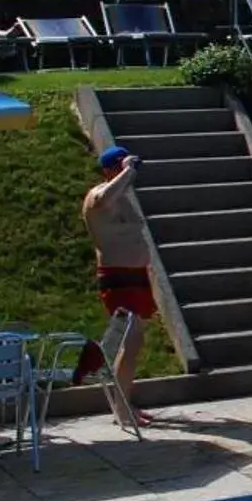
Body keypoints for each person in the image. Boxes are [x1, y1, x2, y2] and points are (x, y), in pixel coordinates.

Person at [80, 146, 155, 430]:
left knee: (133, 344)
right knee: (131, 341)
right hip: (118, 279)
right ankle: (122, 410)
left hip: (135, 276)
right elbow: (103, 198)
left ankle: (124, 404)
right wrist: (129, 170)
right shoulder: (99, 196)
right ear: (111, 170)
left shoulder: (121, 198)